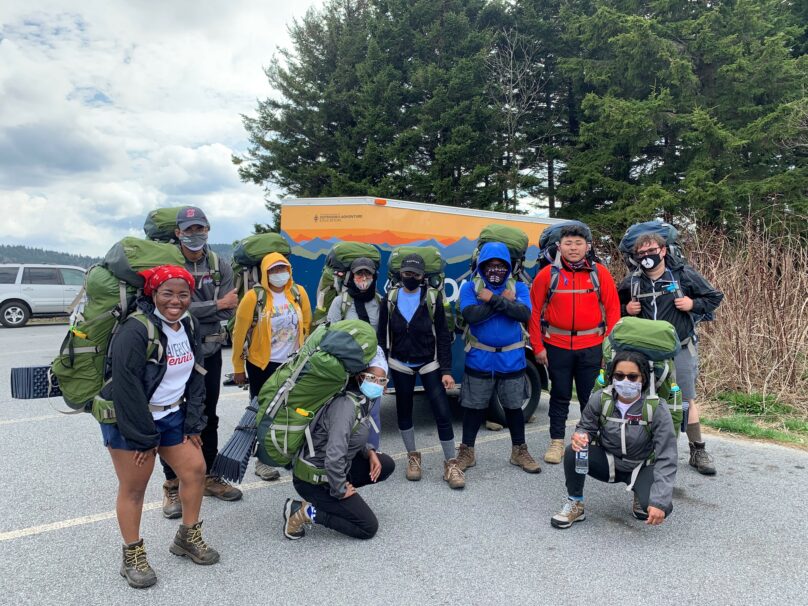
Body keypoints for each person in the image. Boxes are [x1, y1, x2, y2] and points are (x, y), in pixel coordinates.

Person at [101, 265, 220, 589]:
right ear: (153, 293)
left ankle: (187, 536)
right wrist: (144, 439)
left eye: (183, 294)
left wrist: (194, 422)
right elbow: (126, 389)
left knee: (195, 469)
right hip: (130, 421)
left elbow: (197, 373)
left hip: (171, 416)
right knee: (134, 488)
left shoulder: (189, 324)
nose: (176, 301)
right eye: (168, 293)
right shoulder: (135, 330)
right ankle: (132, 556)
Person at [618, 232, 724, 475]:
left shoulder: (682, 275)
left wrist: (692, 304)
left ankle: (697, 450)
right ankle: (641, 448)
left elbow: (714, 296)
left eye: (651, 250)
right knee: (641, 398)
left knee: (686, 399)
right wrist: (626, 309)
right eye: (641, 253)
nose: (647, 256)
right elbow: (612, 305)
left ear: (663, 250)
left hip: (680, 348)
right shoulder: (632, 282)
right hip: (643, 352)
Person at [161, 206, 241, 519]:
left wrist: (200, 307)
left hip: (208, 351)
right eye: (189, 229)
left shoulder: (219, 263)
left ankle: (208, 477)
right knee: (171, 417)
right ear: (178, 232)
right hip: (173, 352)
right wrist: (214, 304)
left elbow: (228, 309)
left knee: (208, 414)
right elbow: (169, 307)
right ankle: (171, 486)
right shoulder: (166, 263)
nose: (196, 235)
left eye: (201, 228)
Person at [550, 350, 677, 529]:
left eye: (633, 377)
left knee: (660, 506)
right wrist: (581, 435)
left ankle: (640, 495)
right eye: (619, 375)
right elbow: (586, 426)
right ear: (612, 376)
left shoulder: (656, 408)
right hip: (610, 463)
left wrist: (659, 501)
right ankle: (575, 503)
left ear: (643, 379)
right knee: (574, 451)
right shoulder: (601, 399)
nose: (625, 381)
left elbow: (667, 456)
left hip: (642, 466)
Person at [528, 223, 621, 464]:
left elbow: (613, 311)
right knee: (559, 395)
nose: (573, 248)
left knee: (590, 398)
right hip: (556, 346)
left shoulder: (599, 273)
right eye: (568, 243)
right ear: (559, 246)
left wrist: (609, 348)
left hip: (591, 345)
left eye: (578, 243)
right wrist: (537, 346)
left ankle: (588, 441)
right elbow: (534, 312)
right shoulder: (547, 275)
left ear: (587, 247)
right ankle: (557, 442)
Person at [282, 350, 395, 540]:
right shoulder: (346, 406)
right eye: (371, 378)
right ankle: (301, 512)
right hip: (314, 480)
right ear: (360, 377)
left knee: (386, 464)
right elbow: (334, 454)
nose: (376, 384)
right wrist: (341, 489)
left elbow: (352, 436)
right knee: (368, 527)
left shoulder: (362, 400)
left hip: (333, 470)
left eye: (381, 381)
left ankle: (339, 501)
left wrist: (369, 452)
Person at [377, 253, 463, 489]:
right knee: (404, 411)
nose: (411, 278)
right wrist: (382, 372)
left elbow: (444, 337)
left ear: (423, 276)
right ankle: (413, 457)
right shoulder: (390, 298)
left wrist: (446, 370)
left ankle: (451, 463)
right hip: (399, 363)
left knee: (442, 413)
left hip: (429, 363)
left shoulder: (432, 298)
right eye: (407, 273)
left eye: (415, 274)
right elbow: (381, 338)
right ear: (400, 274)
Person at [456, 242, 541, 478]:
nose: (496, 269)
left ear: (509, 267)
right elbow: (471, 316)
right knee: (473, 408)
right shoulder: (469, 288)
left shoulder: (520, 287)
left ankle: (519, 451)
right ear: (481, 266)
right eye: (490, 265)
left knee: (514, 408)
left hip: (512, 359)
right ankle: (467, 452)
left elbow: (524, 314)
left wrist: (491, 299)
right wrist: (504, 302)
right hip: (479, 358)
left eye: (501, 265)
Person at [231, 252, 312, 481]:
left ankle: (287, 451)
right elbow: (239, 334)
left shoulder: (298, 293)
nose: (279, 274)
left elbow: (307, 323)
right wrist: (238, 366)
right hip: (262, 365)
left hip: (292, 362)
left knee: (292, 409)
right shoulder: (253, 297)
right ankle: (262, 460)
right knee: (263, 412)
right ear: (265, 273)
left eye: (282, 269)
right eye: (274, 270)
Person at [327, 256, 383, 450]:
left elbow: (382, 336)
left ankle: (372, 451)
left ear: (374, 277)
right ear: (352, 276)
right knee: (344, 411)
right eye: (359, 273)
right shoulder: (339, 303)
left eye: (368, 273)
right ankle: (346, 453)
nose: (364, 277)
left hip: (373, 362)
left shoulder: (379, 301)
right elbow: (331, 336)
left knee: (373, 408)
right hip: (345, 365)